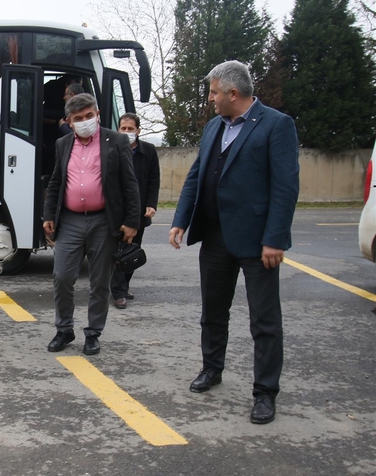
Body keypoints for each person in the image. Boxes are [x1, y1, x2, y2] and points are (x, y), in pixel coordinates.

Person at [169, 60, 299, 425]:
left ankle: (265, 393)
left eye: (213, 92)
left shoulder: (277, 125)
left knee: (265, 321)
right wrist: (181, 220)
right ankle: (212, 369)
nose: (210, 98)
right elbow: (196, 175)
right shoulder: (214, 126)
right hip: (214, 237)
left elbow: (286, 188)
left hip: (258, 242)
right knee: (212, 311)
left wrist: (275, 239)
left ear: (233, 93)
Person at [42, 93, 141, 355]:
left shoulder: (116, 140)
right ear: (69, 122)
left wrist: (133, 222)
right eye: (78, 119)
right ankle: (64, 329)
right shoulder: (63, 144)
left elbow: (130, 184)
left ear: (97, 114)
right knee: (62, 277)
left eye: (89, 116)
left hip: (103, 221)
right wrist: (48, 215)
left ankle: (93, 333)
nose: (85, 121)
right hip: (70, 220)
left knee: (100, 282)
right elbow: (55, 182)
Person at [110, 113, 160, 309]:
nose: (127, 132)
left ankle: (124, 285)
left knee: (132, 250)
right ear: (118, 130)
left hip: (139, 210)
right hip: (116, 210)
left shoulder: (148, 151)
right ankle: (118, 291)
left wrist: (151, 203)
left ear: (138, 131)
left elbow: (154, 180)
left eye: (131, 129)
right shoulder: (112, 149)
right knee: (117, 251)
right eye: (123, 129)